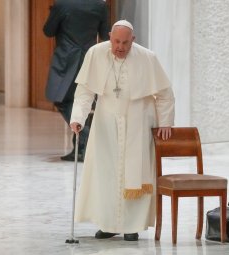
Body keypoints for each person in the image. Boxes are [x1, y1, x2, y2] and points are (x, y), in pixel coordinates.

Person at [70, 20, 175, 241]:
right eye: (116, 41)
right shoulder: (95, 53)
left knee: (134, 173)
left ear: (133, 40)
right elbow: (85, 91)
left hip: (138, 122)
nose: (119, 46)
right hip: (105, 123)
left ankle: (131, 226)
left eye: (125, 42)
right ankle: (108, 224)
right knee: (106, 174)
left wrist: (165, 122)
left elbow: (165, 93)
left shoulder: (147, 57)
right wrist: (78, 118)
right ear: (110, 37)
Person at [43, 0, 109, 162]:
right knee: (81, 100)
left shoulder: (62, 4)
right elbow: (106, 33)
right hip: (89, 57)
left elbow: (48, 30)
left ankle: (85, 133)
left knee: (60, 99)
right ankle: (79, 148)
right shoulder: (99, 5)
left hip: (66, 59)